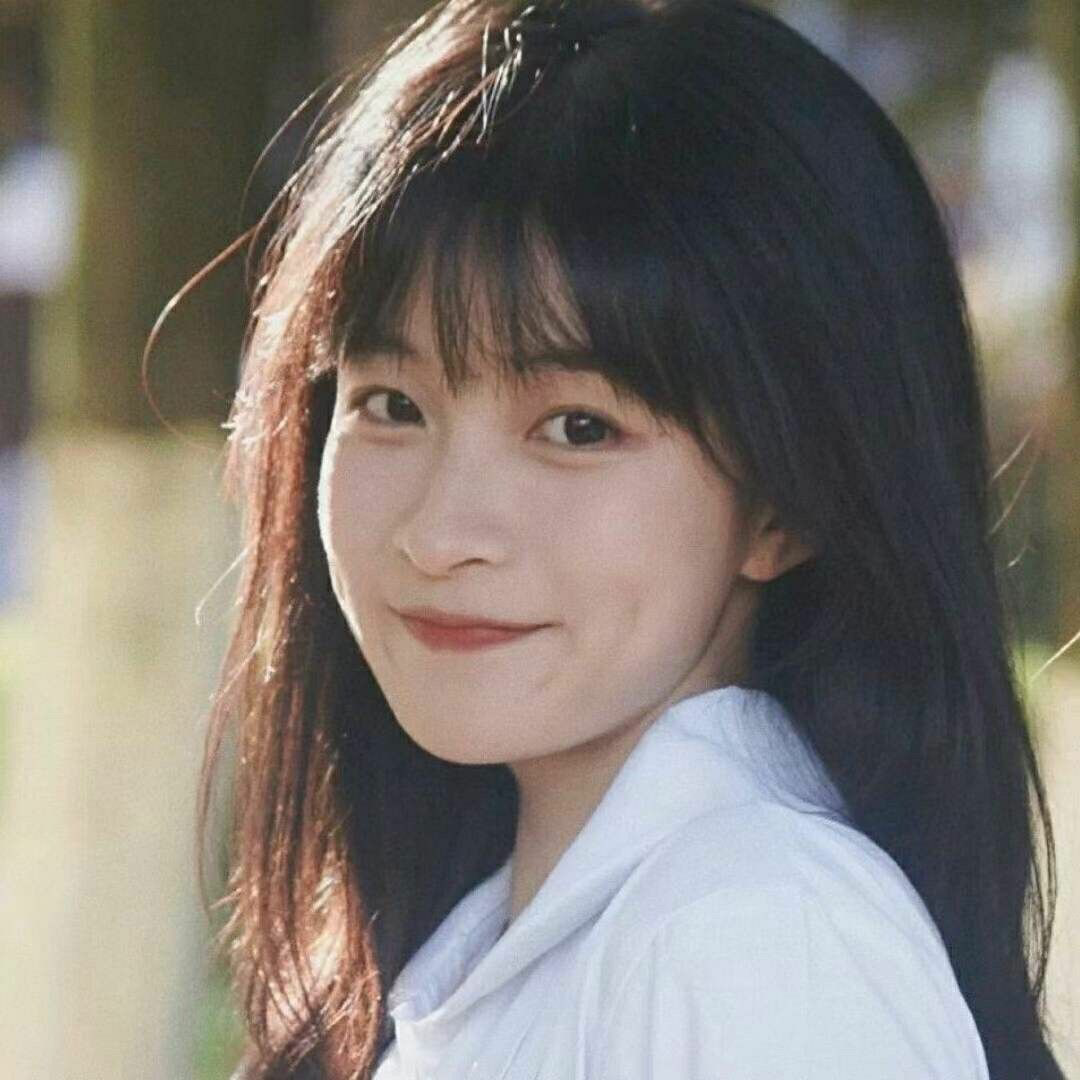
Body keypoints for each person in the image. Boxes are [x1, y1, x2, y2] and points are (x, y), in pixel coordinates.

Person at [194, 1, 1067, 1077]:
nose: (440, 534)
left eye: (578, 428)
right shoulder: (503, 943)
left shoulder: (755, 936)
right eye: (392, 406)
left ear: (785, 503)